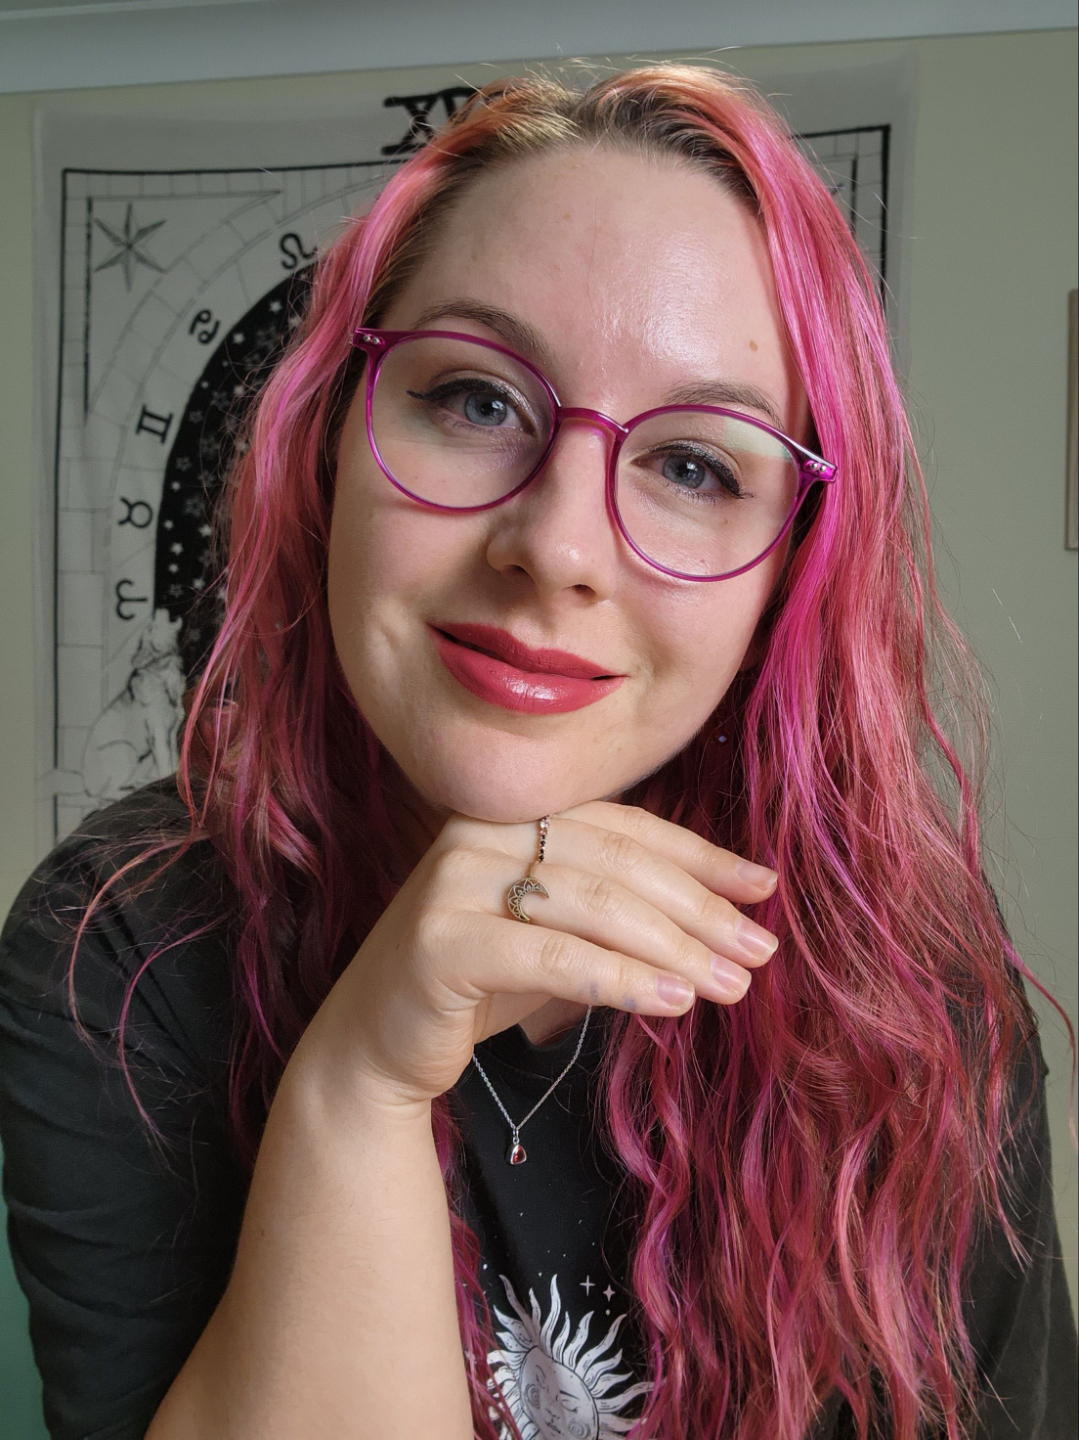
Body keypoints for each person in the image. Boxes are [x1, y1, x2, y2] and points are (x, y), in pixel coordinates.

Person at [1, 63, 1076, 1440]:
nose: (558, 547)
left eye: (695, 466)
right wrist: (361, 1081)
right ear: (329, 443)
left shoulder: (913, 997)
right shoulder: (121, 946)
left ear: (789, 575)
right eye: (475, 399)